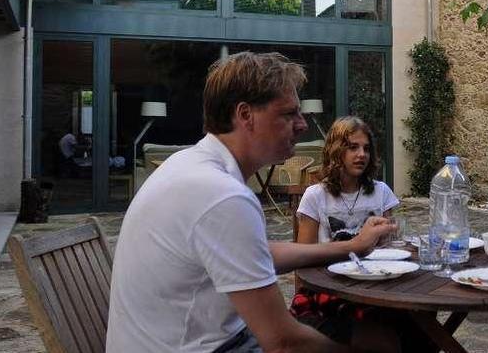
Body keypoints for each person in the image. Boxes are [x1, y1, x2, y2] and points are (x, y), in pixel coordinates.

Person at [106, 52, 396, 353]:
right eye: (288, 114)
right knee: (381, 340)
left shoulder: (189, 165)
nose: (301, 125)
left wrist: (352, 246)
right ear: (246, 115)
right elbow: (283, 343)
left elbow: (257, 253)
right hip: (211, 347)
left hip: (179, 342)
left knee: (374, 333)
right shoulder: (222, 195)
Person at [296, 116, 399, 244]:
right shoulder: (315, 196)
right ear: (336, 151)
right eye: (353, 147)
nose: (362, 154)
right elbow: (304, 251)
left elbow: (390, 244)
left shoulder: (381, 191)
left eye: (366, 149)